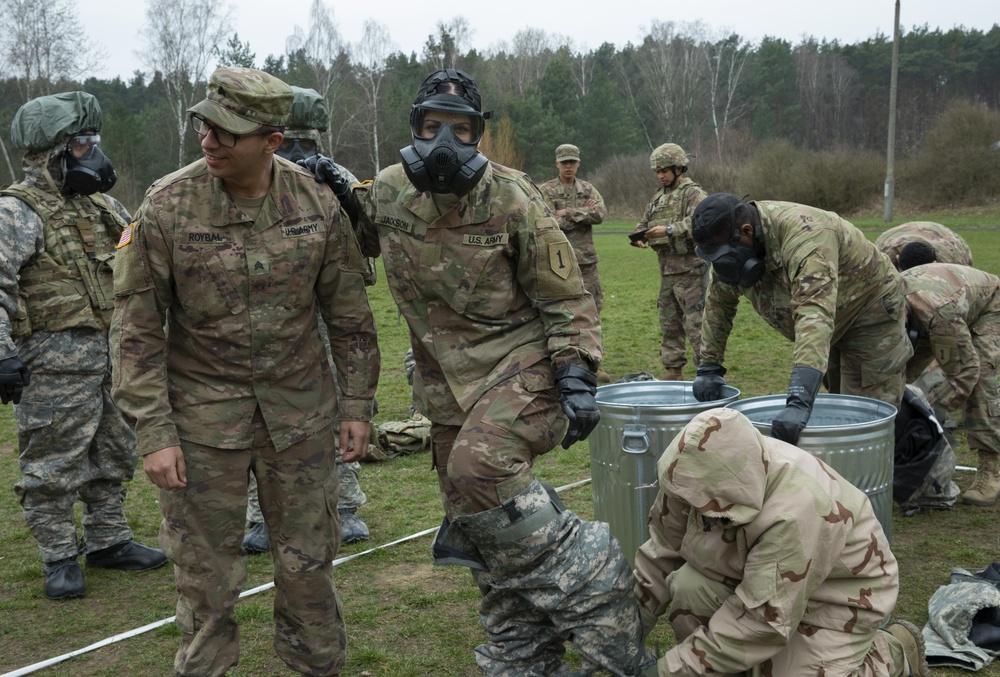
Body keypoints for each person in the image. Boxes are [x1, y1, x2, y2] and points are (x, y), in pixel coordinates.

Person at [346, 68, 652, 675]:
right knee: (472, 517)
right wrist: (322, 187)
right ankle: (522, 651)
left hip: (522, 363)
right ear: (413, 128)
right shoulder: (384, 191)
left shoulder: (514, 197)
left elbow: (566, 298)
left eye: (460, 130)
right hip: (443, 382)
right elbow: (351, 241)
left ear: (478, 136)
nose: (444, 144)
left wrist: (575, 375)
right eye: (432, 127)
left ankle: (596, 580)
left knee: (478, 468)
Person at [109, 67, 379, 676]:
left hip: (301, 417)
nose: (209, 141)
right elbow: (135, 333)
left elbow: (351, 317)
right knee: (206, 580)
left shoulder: (316, 203)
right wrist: (153, 433)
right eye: (205, 126)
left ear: (272, 141)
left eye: (227, 132)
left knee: (309, 567)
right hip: (202, 424)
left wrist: (358, 405)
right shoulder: (166, 206)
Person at [0, 91, 166, 601]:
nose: (92, 154)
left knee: (113, 454)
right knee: (51, 464)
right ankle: (58, 557)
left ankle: (109, 540)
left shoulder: (105, 206)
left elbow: (144, 272)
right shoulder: (16, 212)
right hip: (50, 366)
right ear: (51, 152)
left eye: (94, 142)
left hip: (114, 360)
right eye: (81, 144)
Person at [633, 407, 928, 677]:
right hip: (751, 577)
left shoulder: (796, 508)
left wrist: (665, 672)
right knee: (689, 586)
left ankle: (890, 654)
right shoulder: (689, 477)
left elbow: (763, 623)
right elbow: (659, 556)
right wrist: (621, 639)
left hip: (834, 600)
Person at [242, 84, 371, 552]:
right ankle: (261, 516)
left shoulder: (336, 177)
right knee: (262, 411)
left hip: (329, 313)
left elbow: (373, 242)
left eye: (307, 144)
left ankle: (347, 505)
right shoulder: (248, 178)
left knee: (341, 404)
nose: (298, 154)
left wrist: (349, 198)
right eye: (287, 142)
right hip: (266, 318)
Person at [690, 193, 912, 445]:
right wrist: (709, 365)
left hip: (868, 316)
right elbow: (718, 302)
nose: (722, 264)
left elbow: (814, 312)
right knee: (840, 406)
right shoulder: (732, 248)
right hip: (831, 321)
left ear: (747, 231)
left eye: (724, 255)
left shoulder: (808, 239)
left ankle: (933, 477)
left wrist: (798, 399)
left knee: (867, 419)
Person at [901, 262, 1000, 506]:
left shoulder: (937, 311)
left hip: (989, 305)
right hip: (936, 309)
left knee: (981, 381)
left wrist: (928, 414)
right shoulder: (886, 300)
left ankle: (991, 469)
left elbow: (966, 371)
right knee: (899, 374)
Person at [630, 143, 708, 381]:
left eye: (665, 170)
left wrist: (670, 229)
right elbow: (643, 223)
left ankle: (708, 370)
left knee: (696, 323)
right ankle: (673, 369)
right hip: (667, 270)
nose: (661, 175)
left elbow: (701, 222)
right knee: (669, 322)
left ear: (678, 168)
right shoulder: (657, 197)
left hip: (691, 270)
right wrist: (639, 236)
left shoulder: (694, 194)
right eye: (658, 171)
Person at [875, 221, 972, 270]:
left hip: (943, 236)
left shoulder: (955, 261)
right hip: (895, 234)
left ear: (934, 264)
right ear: (897, 258)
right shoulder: (879, 258)